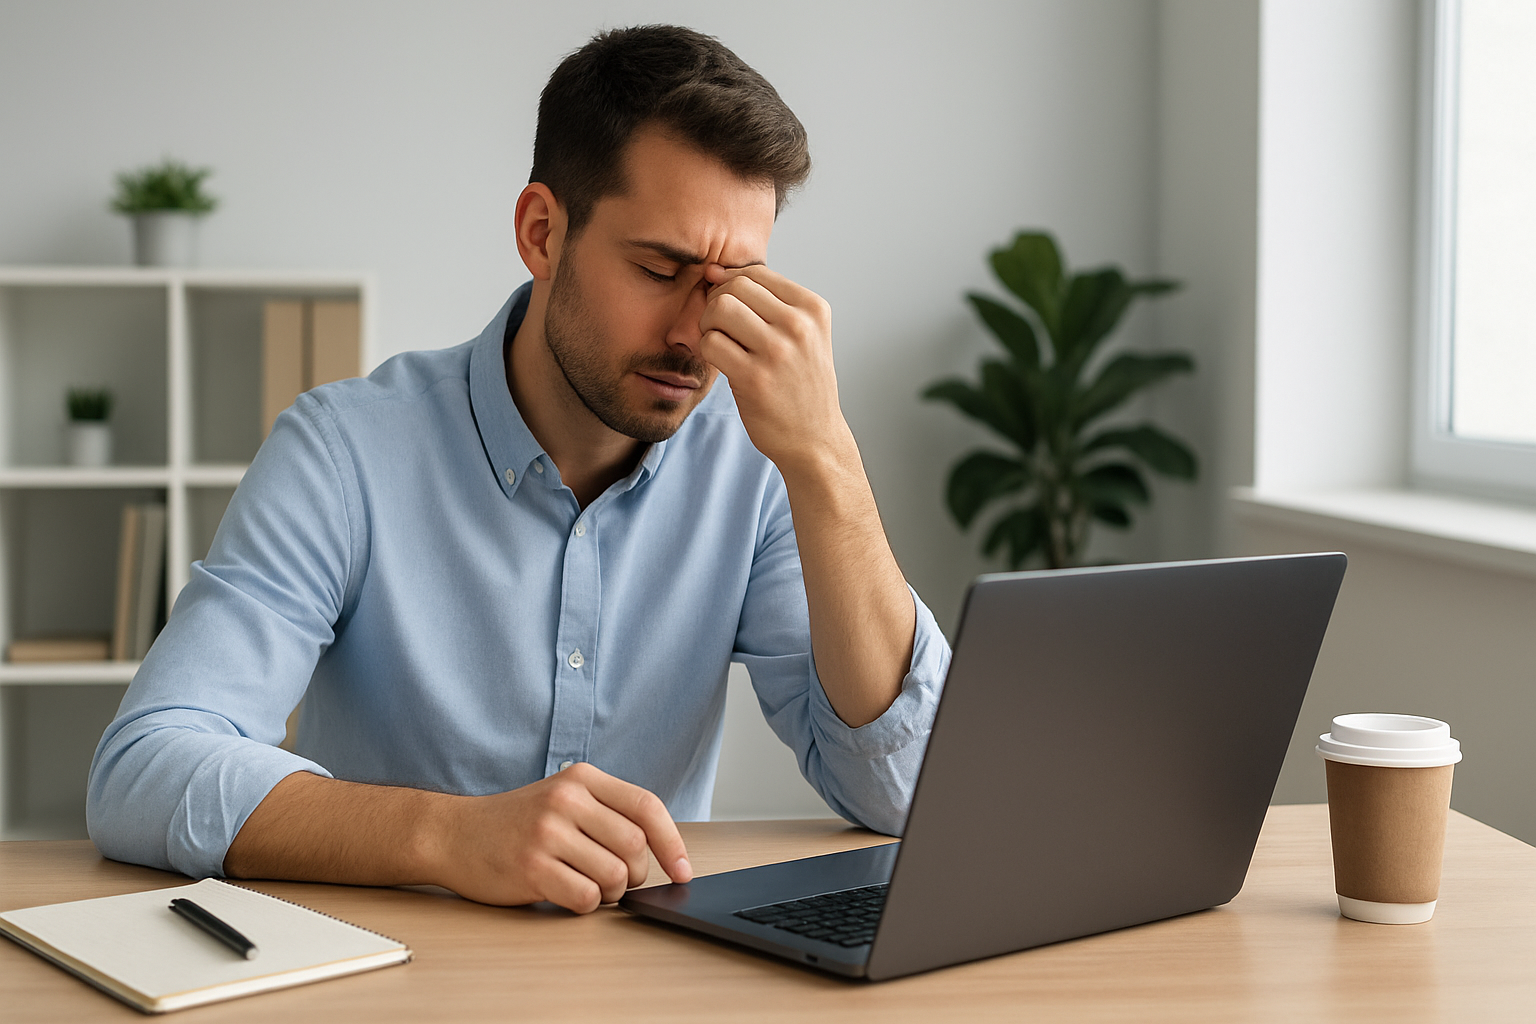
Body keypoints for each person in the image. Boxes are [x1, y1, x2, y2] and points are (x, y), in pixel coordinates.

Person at [88, 25, 950, 915]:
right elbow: (146, 766)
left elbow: (906, 789)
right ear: (542, 233)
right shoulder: (344, 452)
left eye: (734, 285)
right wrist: (448, 835)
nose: (697, 335)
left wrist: (828, 462)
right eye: (661, 269)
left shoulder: (757, 466)